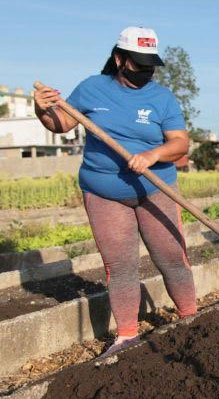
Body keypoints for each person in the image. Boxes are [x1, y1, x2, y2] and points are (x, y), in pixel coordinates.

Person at [34, 27, 197, 356]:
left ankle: (191, 321)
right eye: (139, 64)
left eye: (151, 64)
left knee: (171, 259)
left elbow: (180, 143)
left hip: (156, 188)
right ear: (119, 59)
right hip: (104, 192)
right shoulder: (92, 89)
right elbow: (62, 125)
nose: (146, 71)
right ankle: (126, 336)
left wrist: (153, 155)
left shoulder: (161, 97)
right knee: (121, 266)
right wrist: (42, 110)